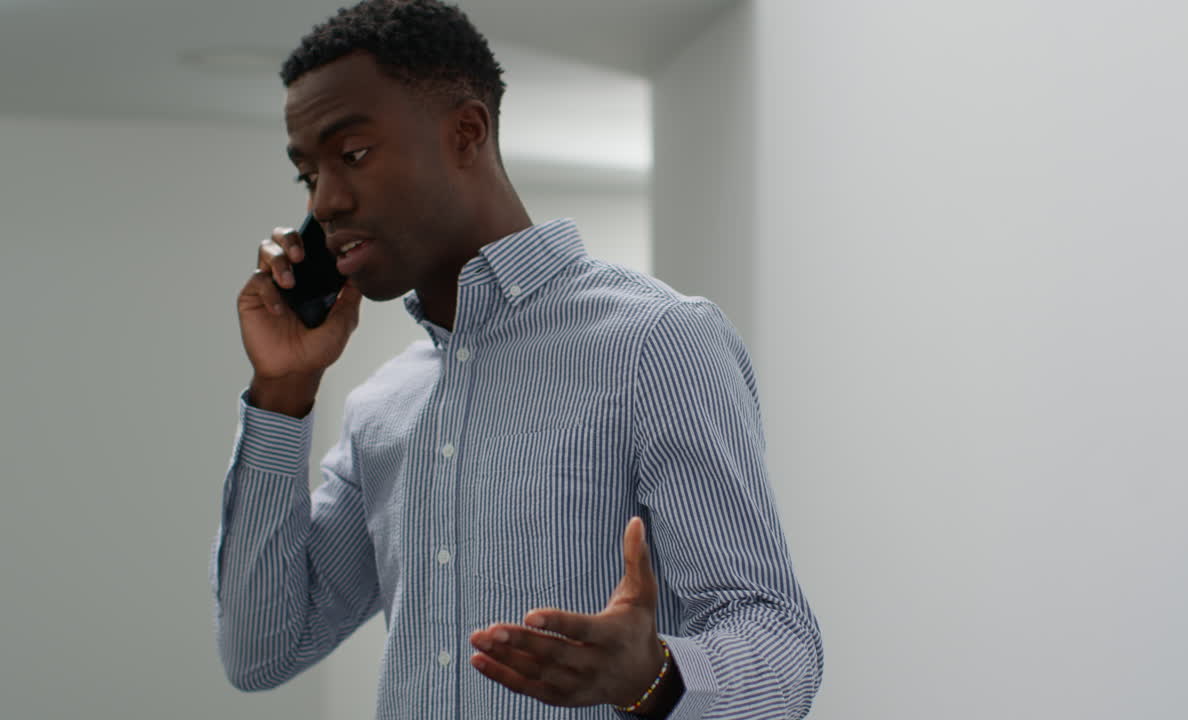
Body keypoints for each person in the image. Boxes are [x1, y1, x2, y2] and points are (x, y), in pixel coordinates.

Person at [210, 1, 823, 718]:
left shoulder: (656, 342)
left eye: (352, 155)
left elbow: (781, 642)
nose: (326, 201)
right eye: (306, 175)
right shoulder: (382, 409)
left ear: (466, 133)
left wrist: (654, 675)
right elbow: (261, 652)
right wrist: (282, 391)